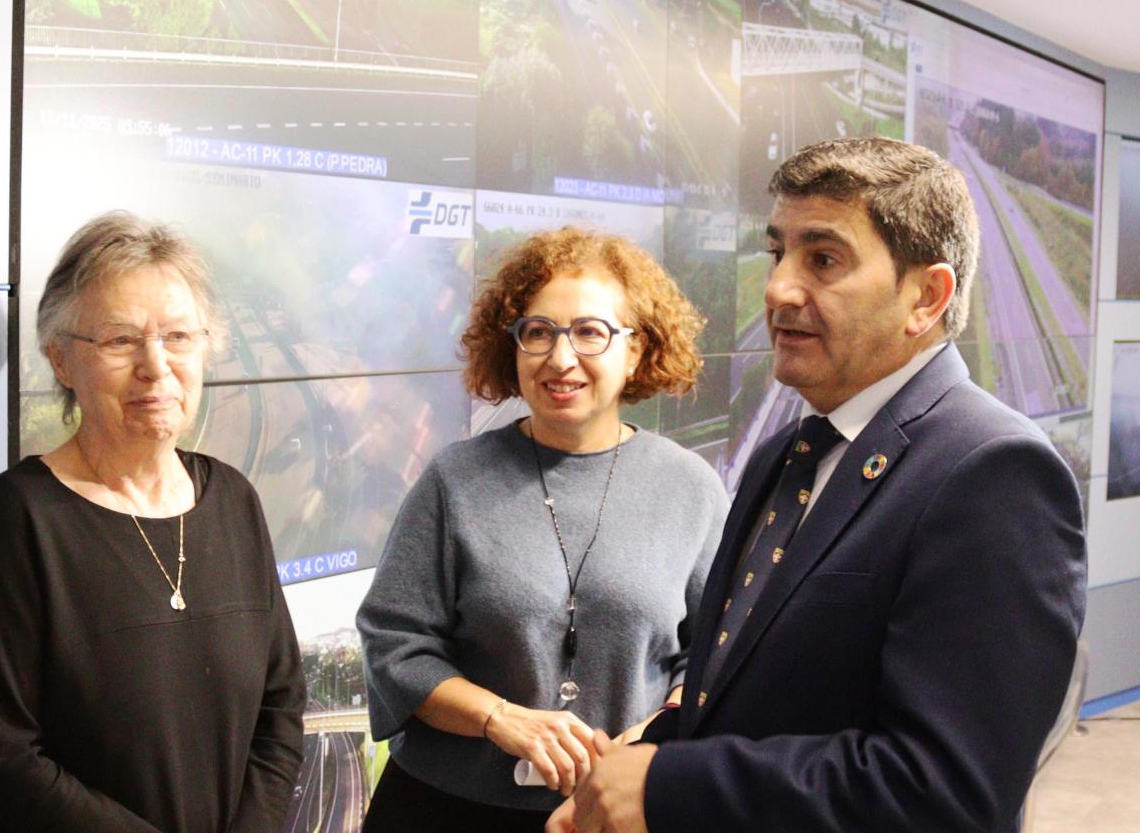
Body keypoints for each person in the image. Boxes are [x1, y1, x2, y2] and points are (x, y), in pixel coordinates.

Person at [554, 137, 1088, 833]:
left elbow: (946, 791)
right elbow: (753, 688)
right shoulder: (789, 452)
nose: (778, 288)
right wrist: (652, 747)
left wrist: (672, 785)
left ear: (926, 297)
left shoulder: (994, 474)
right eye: (779, 252)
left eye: (824, 259)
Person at [356, 226, 728, 831]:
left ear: (636, 350)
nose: (560, 358)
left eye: (590, 332)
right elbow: (394, 644)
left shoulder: (691, 487)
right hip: (443, 807)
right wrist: (500, 717)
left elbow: (716, 656)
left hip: (613, 811)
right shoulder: (455, 479)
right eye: (538, 333)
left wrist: (654, 735)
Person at [0, 212, 305, 832]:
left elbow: (280, 707)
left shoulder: (233, 501)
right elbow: (4, 757)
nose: (156, 366)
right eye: (119, 341)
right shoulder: (21, 519)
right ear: (61, 360)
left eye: (178, 337)